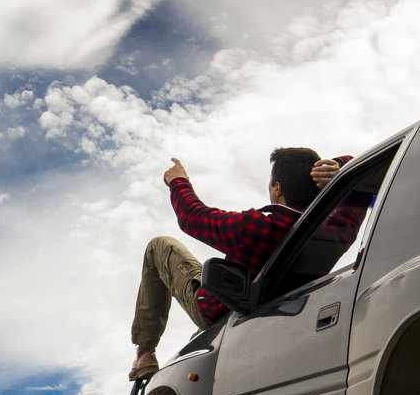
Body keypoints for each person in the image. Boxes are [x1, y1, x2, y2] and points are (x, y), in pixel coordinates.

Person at [128, 147, 352, 380]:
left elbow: (192, 217)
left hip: (222, 311)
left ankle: (145, 352)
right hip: (283, 305)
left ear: (278, 189)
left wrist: (178, 181)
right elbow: (362, 189)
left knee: (160, 245)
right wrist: (340, 166)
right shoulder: (338, 230)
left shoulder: (259, 227)